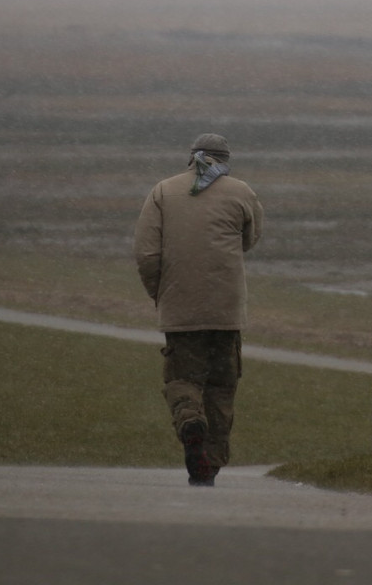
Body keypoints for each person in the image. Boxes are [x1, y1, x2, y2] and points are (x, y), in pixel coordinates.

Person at [133, 133, 264, 485]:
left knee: (181, 378)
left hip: (180, 309)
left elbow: (146, 254)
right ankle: (210, 463)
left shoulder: (163, 191)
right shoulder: (242, 192)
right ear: (225, 159)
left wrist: (159, 293)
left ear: (191, 157)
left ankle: (191, 420)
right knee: (221, 387)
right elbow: (250, 239)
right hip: (227, 310)